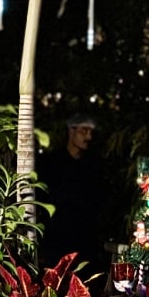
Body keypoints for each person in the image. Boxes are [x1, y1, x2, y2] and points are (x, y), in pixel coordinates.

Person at [36, 114, 106, 280]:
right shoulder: (50, 163)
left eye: (91, 132)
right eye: (84, 131)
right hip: (56, 240)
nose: (88, 137)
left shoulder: (93, 165)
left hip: (85, 242)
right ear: (71, 131)